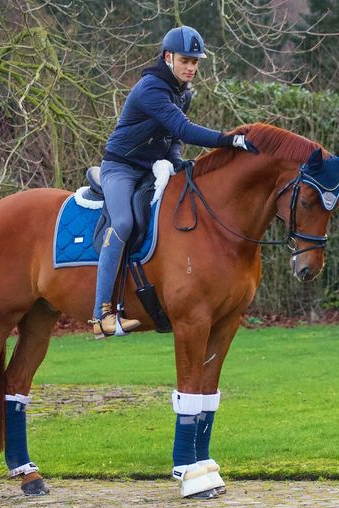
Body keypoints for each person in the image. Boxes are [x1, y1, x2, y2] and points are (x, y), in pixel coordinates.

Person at [90, 25, 258, 338]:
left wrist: (178, 162)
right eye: (185, 60)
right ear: (168, 57)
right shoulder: (151, 88)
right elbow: (182, 129)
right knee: (123, 223)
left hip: (152, 168)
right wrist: (230, 140)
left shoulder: (183, 93)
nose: (191, 67)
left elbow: (171, 140)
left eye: (195, 62)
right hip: (121, 168)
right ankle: (102, 313)